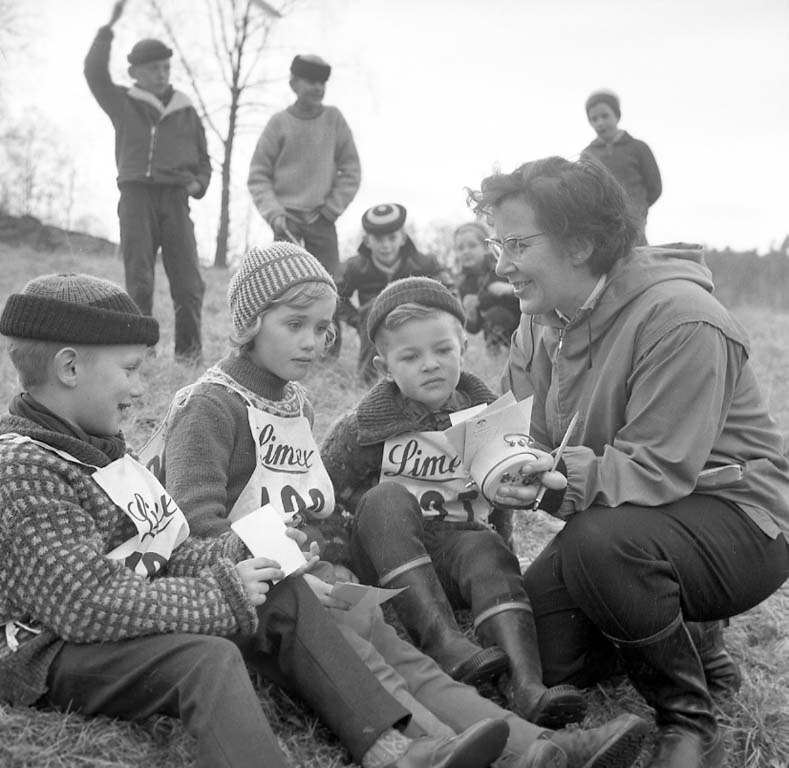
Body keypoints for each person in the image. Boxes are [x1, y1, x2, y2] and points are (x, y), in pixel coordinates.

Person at [158, 243, 650, 768]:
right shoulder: (210, 406)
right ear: (249, 322)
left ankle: (542, 745)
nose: (312, 342)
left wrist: (330, 559)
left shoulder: (292, 400)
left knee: (411, 662)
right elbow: (194, 527)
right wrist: (290, 571)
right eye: (294, 324)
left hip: (309, 575)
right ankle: (444, 752)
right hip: (255, 590)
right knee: (372, 662)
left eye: (322, 328)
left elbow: (308, 504)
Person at [0, 272, 516, 768]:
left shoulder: (103, 449)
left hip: (118, 616)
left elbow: (169, 549)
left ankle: (394, 747)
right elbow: (86, 603)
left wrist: (247, 550)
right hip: (50, 648)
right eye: (130, 370)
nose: (139, 389)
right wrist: (220, 595)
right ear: (70, 369)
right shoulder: (24, 469)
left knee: (282, 591)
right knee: (207, 659)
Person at [468, 155, 789, 768]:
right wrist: (505, 465)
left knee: (601, 543)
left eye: (518, 244)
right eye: (497, 244)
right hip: (628, 521)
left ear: (581, 244)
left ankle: (690, 720)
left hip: (739, 522)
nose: (502, 265)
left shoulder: (683, 319)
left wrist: (556, 480)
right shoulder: (538, 324)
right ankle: (679, 631)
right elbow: (528, 433)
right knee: (543, 650)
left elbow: (657, 469)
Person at [320, 276, 588, 729]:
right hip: (385, 555)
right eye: (410, 357)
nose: (430, 365)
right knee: (386, 498)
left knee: (484, 545)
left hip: (452, 553)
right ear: (385, 367)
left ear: (463, 347)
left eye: (443, 350)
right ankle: (444, 643)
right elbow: (324, 495)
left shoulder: (488, 419)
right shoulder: (364, 427)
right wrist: (336, 559)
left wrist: (501, 550)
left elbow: (499, 500)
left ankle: (527, 686)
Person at [84, 0, 210, 362]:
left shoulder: (186, 109)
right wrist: (106, 32)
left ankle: (189, 356)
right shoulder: (122, 102)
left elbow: (204, 160)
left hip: (175, 199)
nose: (162, 73)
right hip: (136, 196)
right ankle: (139, 353)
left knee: (189, 283)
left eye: (166, 67)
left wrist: (197, 185)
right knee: (139, 279)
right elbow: (93, 73)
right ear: (135, 72)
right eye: (154, 68)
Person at [247, 53, 360, 357]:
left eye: (322, 82)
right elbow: (258, 175)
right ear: (294, 83)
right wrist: (275, 214)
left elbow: (351, 170)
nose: (318, 88)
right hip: (287, 223)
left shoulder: (334, 119)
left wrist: (331, 209)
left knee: (330, 289)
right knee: (285, 291)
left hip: (322, 220)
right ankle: (285, 352)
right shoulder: (278, 123)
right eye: (311, 81)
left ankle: (327, 357)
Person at [337, 204, 454, 385]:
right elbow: (337, 298)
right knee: (374, 308)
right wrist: (357, 320)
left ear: (403, 238)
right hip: (373, 325)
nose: (386, 245)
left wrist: (432, 314)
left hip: (417, 320)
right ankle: (366, 380)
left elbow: (449, 291)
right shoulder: (354, 267)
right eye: (378, 239)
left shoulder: (425, 263)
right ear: (367, 241)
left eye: (392, 238)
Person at [581, 90, 661, 245]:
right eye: (594, 119)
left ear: (617, 116)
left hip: (635, 221)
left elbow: (655, 187)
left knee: (638, 254)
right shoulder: (588, 155)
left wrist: (638, 208)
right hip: (603, 224)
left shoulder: (638, 148)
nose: (600, 123)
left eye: (605, 116)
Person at [454, 222, 520, 352]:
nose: (466, 251)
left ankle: (518, 349)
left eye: (472, 245)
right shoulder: (464, 285)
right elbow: (474, 328)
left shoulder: (499, 270)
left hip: (520, 321)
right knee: (492, 317)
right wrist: (471, 315)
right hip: (494, 328)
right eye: (460, 248)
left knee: (496, 314)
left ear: (486, 248)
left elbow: (520, 300)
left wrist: (508, 290)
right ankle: (495, 354)